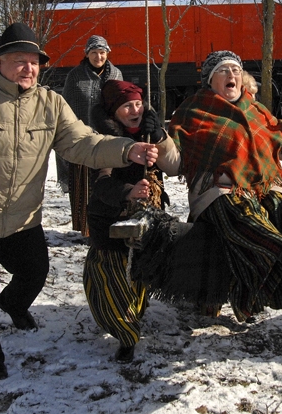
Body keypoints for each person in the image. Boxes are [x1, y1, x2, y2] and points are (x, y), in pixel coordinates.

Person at [0, 23, 158, 381]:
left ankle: (15, 304)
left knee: (34, 272)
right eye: (17, 60)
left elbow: (83, 142)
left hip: (23, 217)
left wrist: (127, 149)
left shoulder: (50, 103)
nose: (27, 68)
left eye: (33, 62)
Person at [127, 50, 282, 323]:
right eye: (223, 71)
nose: (231, 75)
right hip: (218, 191)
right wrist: (161, 138)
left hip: (264, 186)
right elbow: (175, 164)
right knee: (241, 212)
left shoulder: (256, 110)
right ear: (210, 79)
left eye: (235, 70)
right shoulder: (193, 110)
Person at [83, 80, 178, 363]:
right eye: (127, 106)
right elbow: (101, 184)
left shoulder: (150, 133)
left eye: (138, 103)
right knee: (111, 281)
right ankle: (125, 334)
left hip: (147, 220)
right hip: (110, 222)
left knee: (139, 275)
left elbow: (174, 166)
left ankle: (133, 318)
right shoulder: (104, 139)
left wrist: (160, 135)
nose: (135, 109)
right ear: (114, 113)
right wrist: (129, 192)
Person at [60, 35, 124, 236]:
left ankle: (108, 225)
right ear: (87, 54)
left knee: (107, 183)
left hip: (108, 140)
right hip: (82, 140)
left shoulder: (116, 74)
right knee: (83, 187)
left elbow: (122, 104)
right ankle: (85, 229)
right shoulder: (75, 76)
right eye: (94, 52)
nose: (99, 56)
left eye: (102, 52)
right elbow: (67, 108)